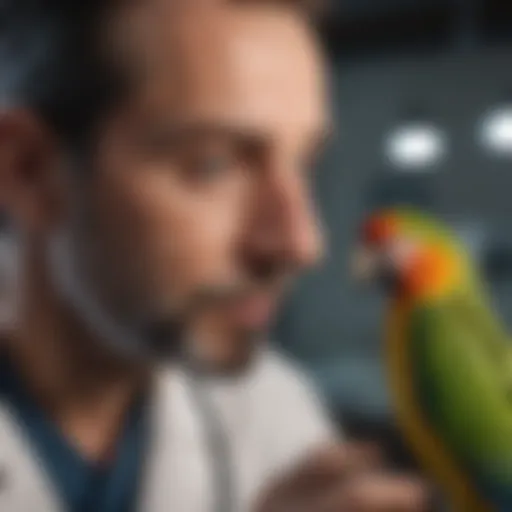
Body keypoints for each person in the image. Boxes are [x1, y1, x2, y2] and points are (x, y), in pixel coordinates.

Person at [0, 1, 429, 511]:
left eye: (304, 165)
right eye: (213, 165)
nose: (301, 242)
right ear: (30, 171)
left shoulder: (271, 411)